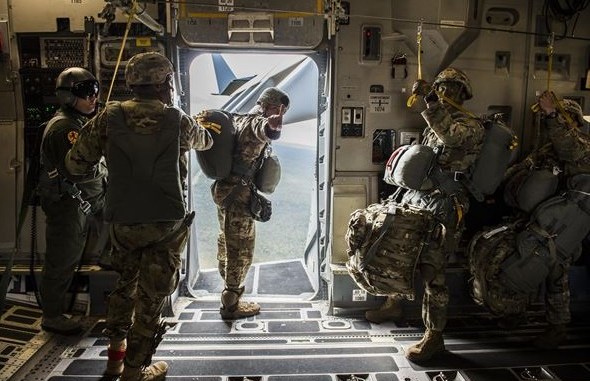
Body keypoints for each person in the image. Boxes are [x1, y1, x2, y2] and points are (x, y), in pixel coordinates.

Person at [65, 52, 214, 380]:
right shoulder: (178, 119)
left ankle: (114, 362)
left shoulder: (108, 117)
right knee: (150, 299)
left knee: (124, 287)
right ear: (165, 84)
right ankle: (135, 371)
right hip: (165, 225)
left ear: (132, 82)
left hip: (123, 222)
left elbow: (76, 164)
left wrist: (105, 178)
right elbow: (207, 141)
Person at [368, 68, 485, 362]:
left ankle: (434, 336)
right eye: (441, 87)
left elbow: (452, 137)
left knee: (434, 271)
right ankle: (393, 302)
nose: (445, 92)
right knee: (400, 248)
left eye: (450, 88)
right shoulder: (435, 122)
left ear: (461, 93)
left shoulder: (470, 126)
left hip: (447, 204)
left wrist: (430, 101)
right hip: (421, 197)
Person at [503, 91, 590, 348]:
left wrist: (553, 114)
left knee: (556, 272)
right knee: (524, 260)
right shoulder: (549, 148)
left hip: (565, 223)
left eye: (561, 120)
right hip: (542, 216)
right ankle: (517, 312)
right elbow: (525, 166)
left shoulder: (581, 145)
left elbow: (568, 146)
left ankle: (557, 327)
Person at [208, 87, 289, 319]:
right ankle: (231, 303)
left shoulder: (239, 118)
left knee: (226, 241)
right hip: (239, 196)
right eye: (280, 109)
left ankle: (227, 290)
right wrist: (272, 127)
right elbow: (263, 130)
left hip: (224, 191)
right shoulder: (257, 123)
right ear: (274, 107)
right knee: (240, 248)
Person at [38, 67, 107, 335]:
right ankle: (52, 316)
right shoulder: (65, 128)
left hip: (85, 201)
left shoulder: (78, 123)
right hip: (69, 204)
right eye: (85, 93)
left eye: (95, 91)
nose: (93, 98)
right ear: (67, 97)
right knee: (62, 260)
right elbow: (79, 170)